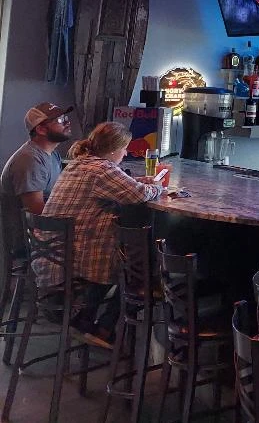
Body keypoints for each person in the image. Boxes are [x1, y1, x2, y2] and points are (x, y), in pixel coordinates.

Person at [34, 121, 164, 348]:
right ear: (113, 150)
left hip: (51, 258)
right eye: (124, 148)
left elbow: (119, 185)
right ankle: (103, 327)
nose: (126, 153)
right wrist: (159, 186)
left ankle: (87, 321)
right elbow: (140, 194)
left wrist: (135, 181)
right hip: (71, 265)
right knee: (138, 268)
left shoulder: (79, 163)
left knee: (123, 260)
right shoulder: (102, 169)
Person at [1, 102, 75, 215]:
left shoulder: (52, 154)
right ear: (41, 130)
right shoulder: (30, 160)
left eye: (65, 117)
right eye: (59, 120)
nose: (67, 122)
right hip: (27, 226)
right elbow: (37, 213)